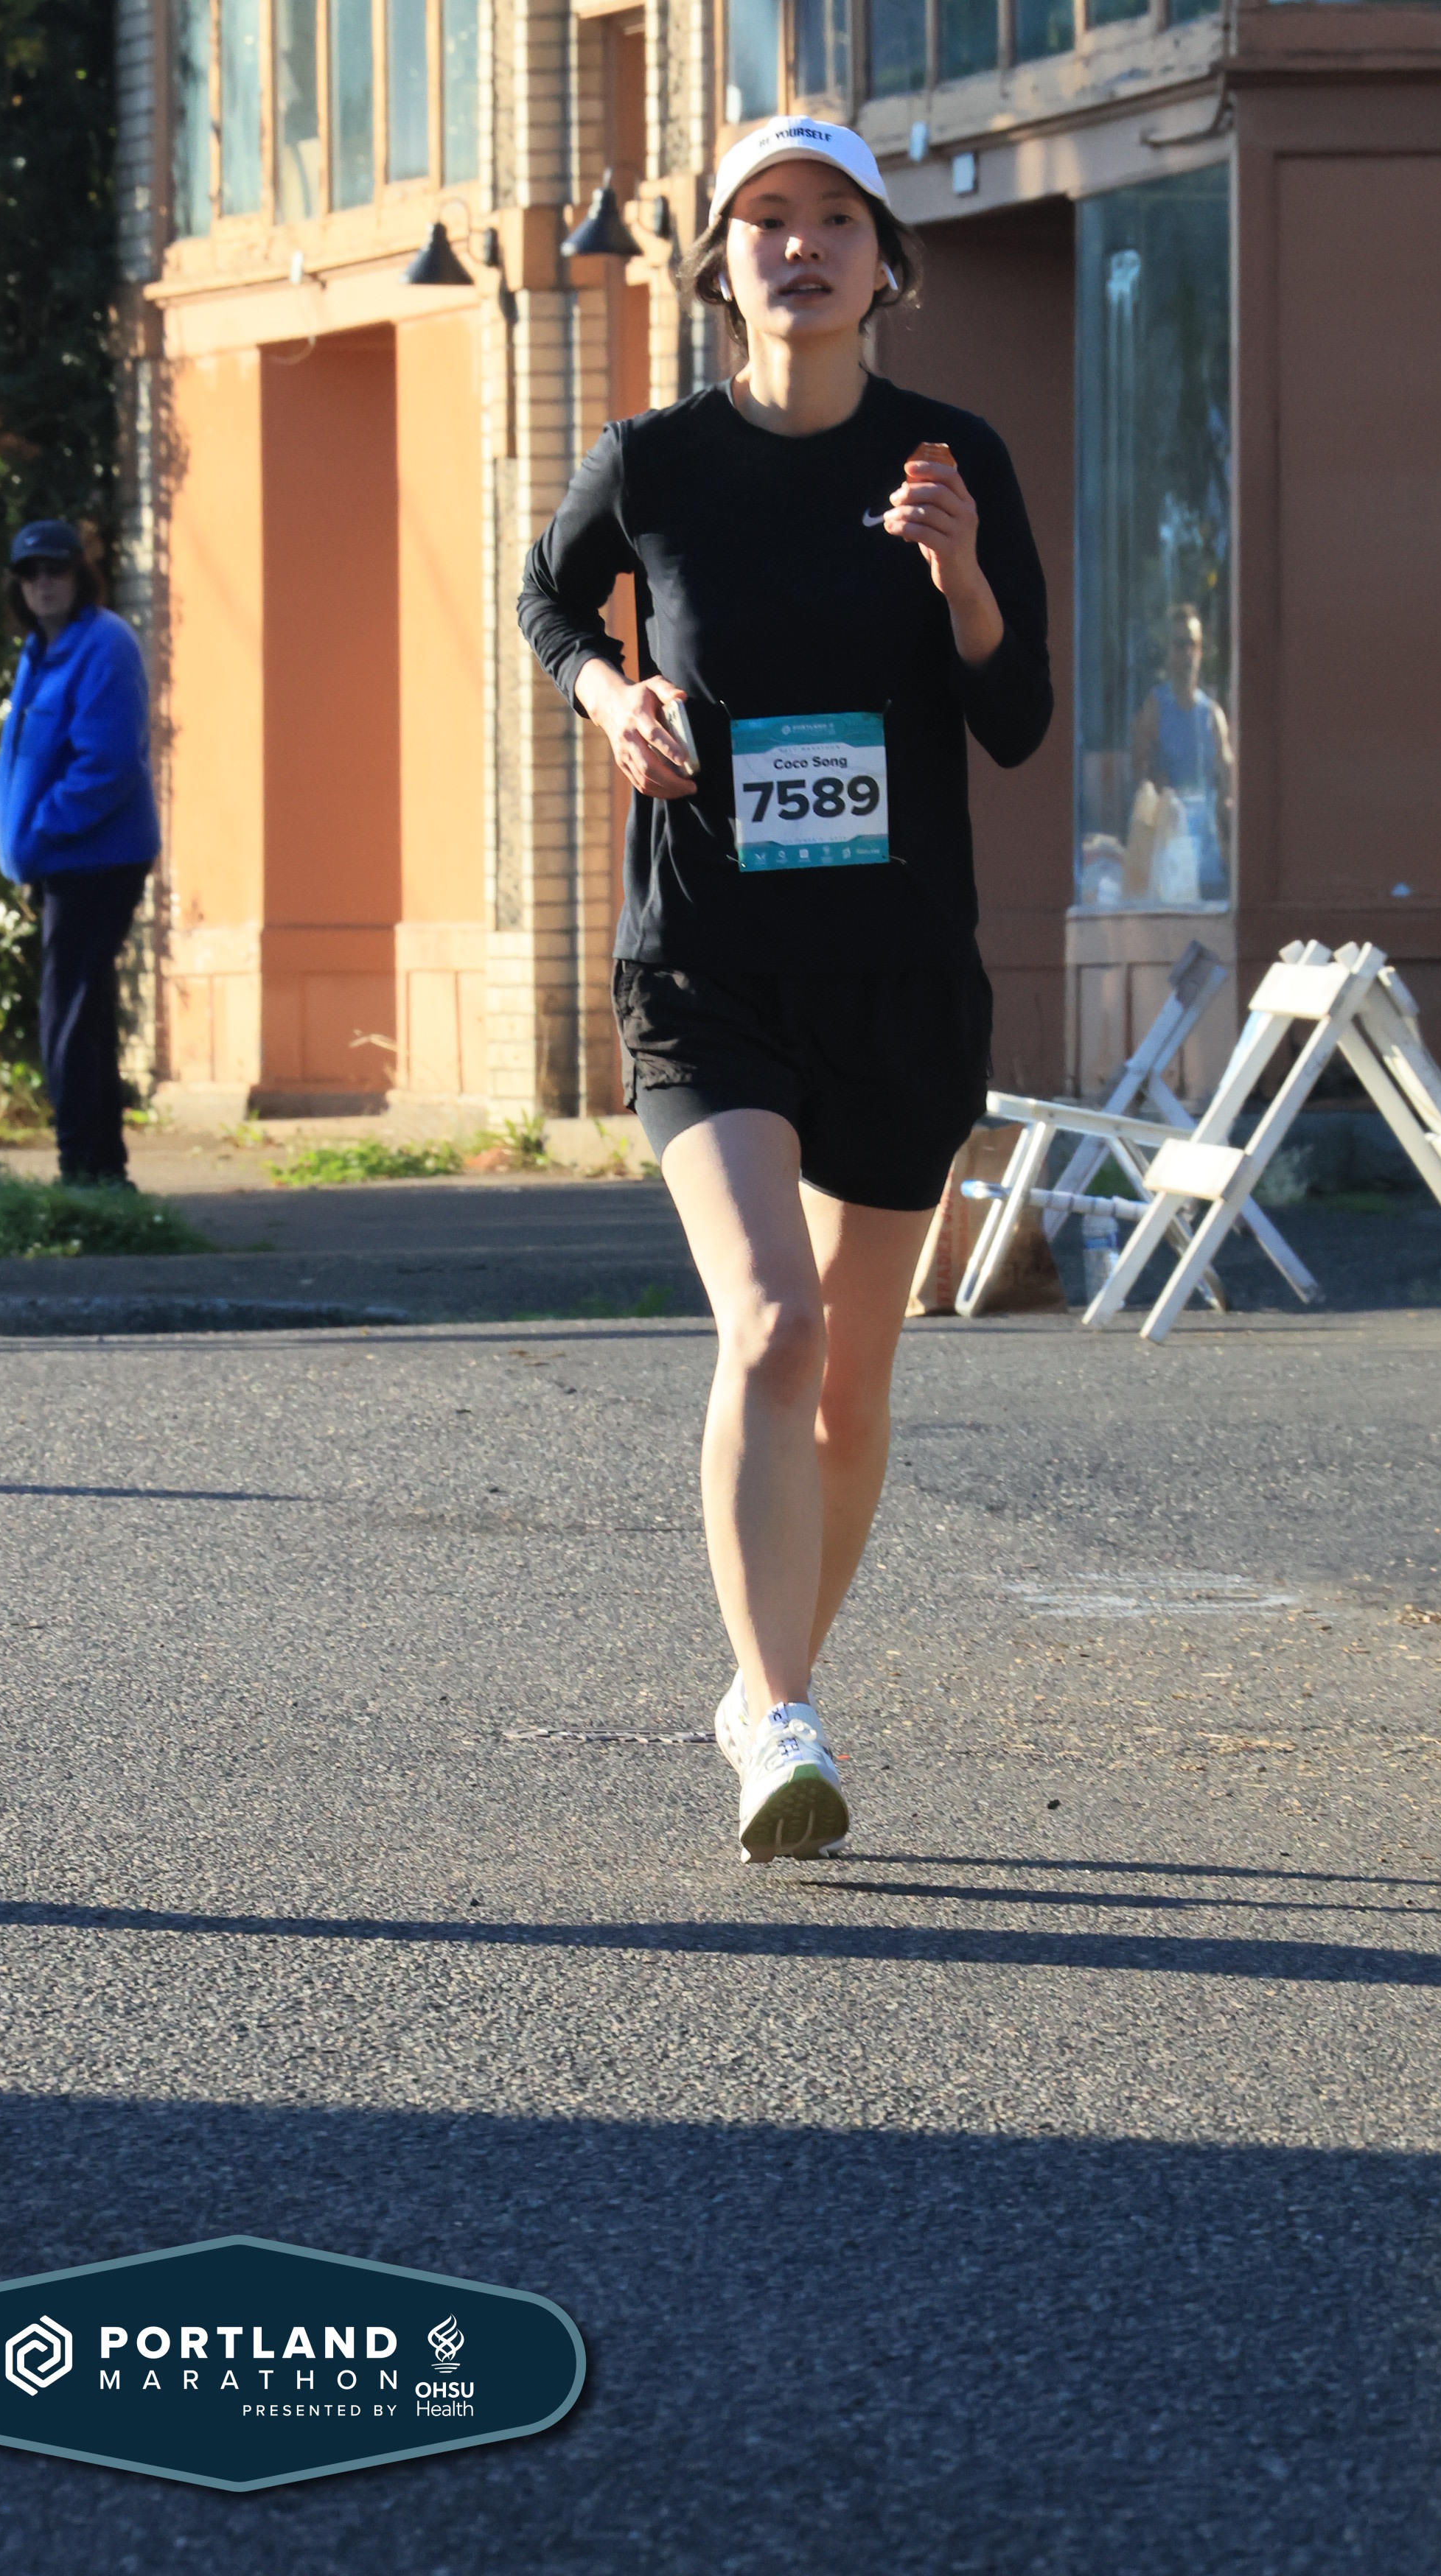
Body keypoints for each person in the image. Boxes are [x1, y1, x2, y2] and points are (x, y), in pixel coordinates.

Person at [519, 115, 1052, 1863]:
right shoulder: (653, 463)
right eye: (764, 219)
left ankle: (765, 1690)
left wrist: (957, 573)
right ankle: (786, 1721)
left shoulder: (951, 459)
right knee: (771, 1323)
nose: (800, 245)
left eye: (835, 219)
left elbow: (1015, 719)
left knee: (851, 1382)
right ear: (719, 262)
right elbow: (545, 601)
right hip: (706, 964)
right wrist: (612, 700)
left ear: (887, 263)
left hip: (899, 974)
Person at [0, 519, 161, 1186]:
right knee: (81, 1015)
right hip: (60, 861)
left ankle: (83, 1169)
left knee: (67, 1015)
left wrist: (39, 834)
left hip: (96, 859)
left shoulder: (103, 645)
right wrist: (23, 846)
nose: (43, 584)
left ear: (79, 575)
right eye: (30, 573)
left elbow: (106, 765)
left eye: (55, 570)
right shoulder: (41, 651)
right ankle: (100, 1171)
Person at [1128, 603, 1232, 904]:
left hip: (1208, 859)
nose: (1187, 654)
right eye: (1179, 644)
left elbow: (1228, 790)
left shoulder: (1212, 715)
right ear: (1169, 652)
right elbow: (1138, 776)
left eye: (1193, 645)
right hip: (1169, 853)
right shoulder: (1156, 708)